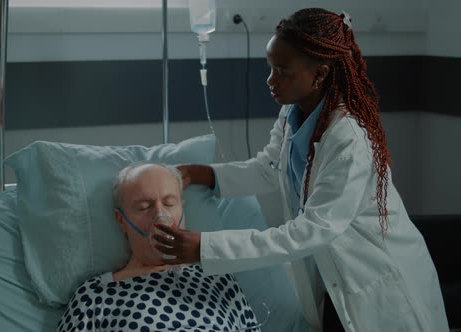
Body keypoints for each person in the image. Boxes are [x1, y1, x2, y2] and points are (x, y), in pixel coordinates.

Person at [152, 8, 449, 332]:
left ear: (319, 75)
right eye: (271, 69)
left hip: (380, 287)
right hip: (333, 282)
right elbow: (269, 168)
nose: (270, 81)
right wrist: (199, 173)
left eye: (282, 72)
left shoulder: (349, 139)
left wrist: (205, 247)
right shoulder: (294, 111)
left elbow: (310, 230)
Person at [56, 163, 261, 332]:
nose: (160, 216)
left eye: (170, 203)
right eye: (144, 207)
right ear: (121, 220)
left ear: (183, 207)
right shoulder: (95, 295)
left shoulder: (218, 278)